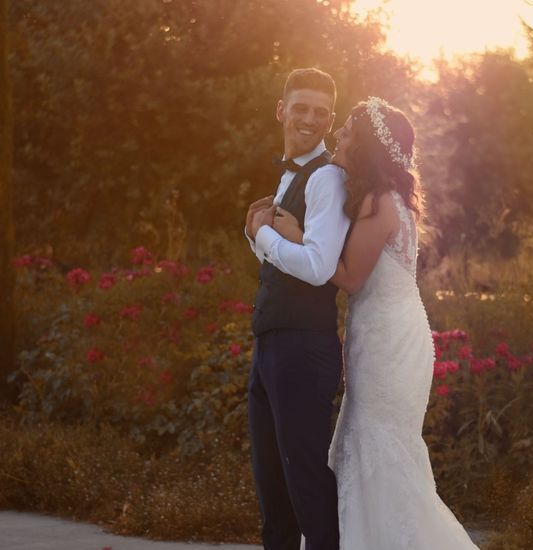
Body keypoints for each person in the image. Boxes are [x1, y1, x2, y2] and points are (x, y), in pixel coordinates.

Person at [267, 97, 479, 549]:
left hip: (387, 340)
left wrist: (294, 237)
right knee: (379, 447)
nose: (338, 136)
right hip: (396, 330)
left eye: (346, 131)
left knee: (377, 448)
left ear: (364, 145)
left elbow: (348, 277)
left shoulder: (378, 202)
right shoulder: (395, 200)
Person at [244, 68, 349, 550]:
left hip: (303, 348)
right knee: (273, 492)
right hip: (272, 343)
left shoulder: (326, 178)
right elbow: (288, 257)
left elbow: (318, 266)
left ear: (330, 121)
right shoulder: (291, 177)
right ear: (281, 110)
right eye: (301, 108)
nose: (310, 119)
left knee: (306, 486)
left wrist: (261, 235)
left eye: (322, 112)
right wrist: (257, 238)